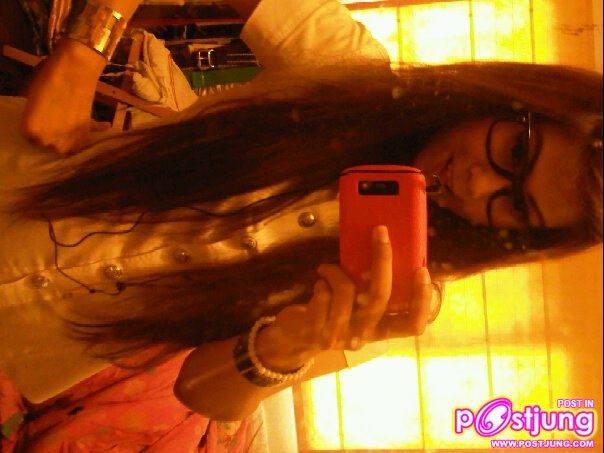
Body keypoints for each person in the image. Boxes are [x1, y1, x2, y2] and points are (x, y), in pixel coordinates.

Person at [1, 0, 601, 422]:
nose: (477, 181)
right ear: (513, 101)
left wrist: (282, 350)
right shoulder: (351, 73)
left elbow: (200, 393)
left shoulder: (388, 298)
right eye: (515, 151)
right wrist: (84, 52)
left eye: (514, 206)